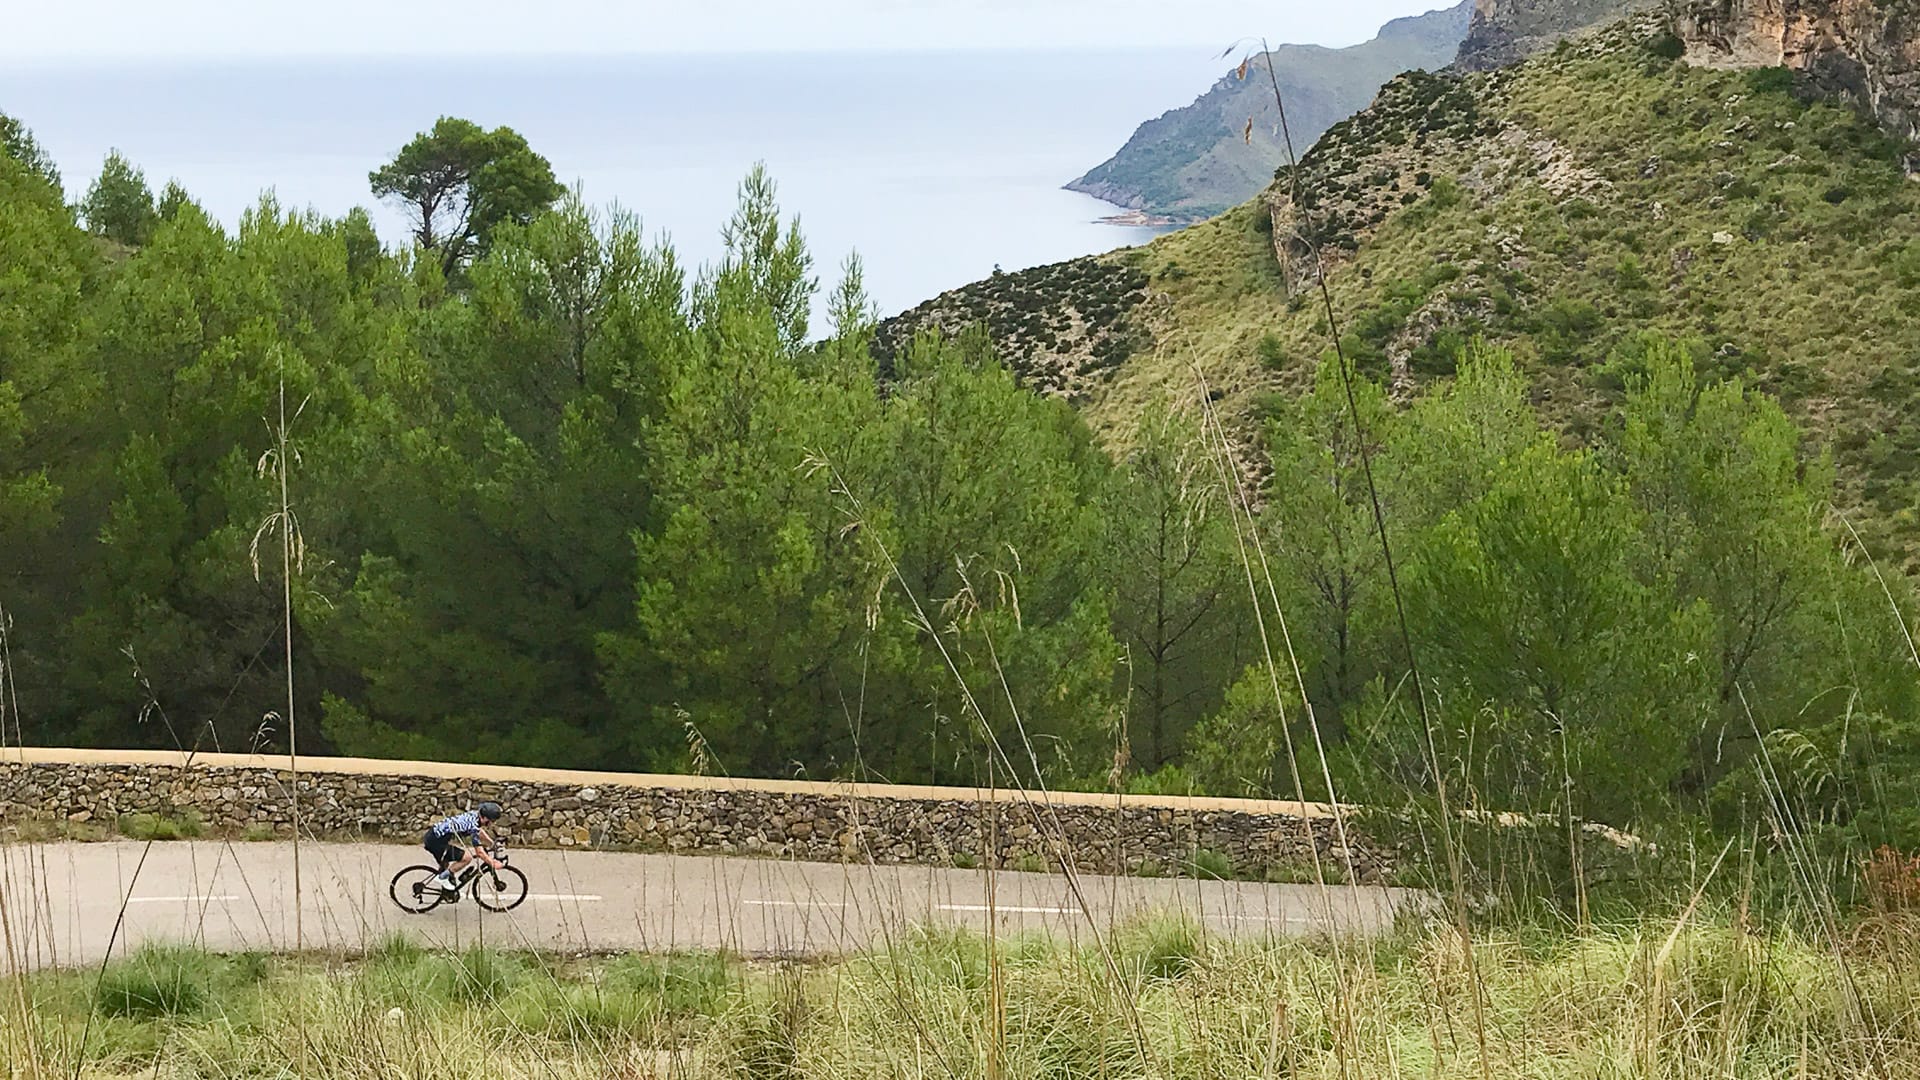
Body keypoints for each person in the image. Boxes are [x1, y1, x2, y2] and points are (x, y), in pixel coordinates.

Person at [424, 801, 504, 894]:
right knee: (467, 857)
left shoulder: (476, 816)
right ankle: (442, 878)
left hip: (435, 837)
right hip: (435, 842)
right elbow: (479, 852)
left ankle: (447, 891)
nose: (492, 824)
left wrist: (492, 844)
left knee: (446, 866)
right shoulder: (472, 825)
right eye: (492, 821)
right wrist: (492, 863)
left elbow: (480, 832)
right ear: (485, 818)